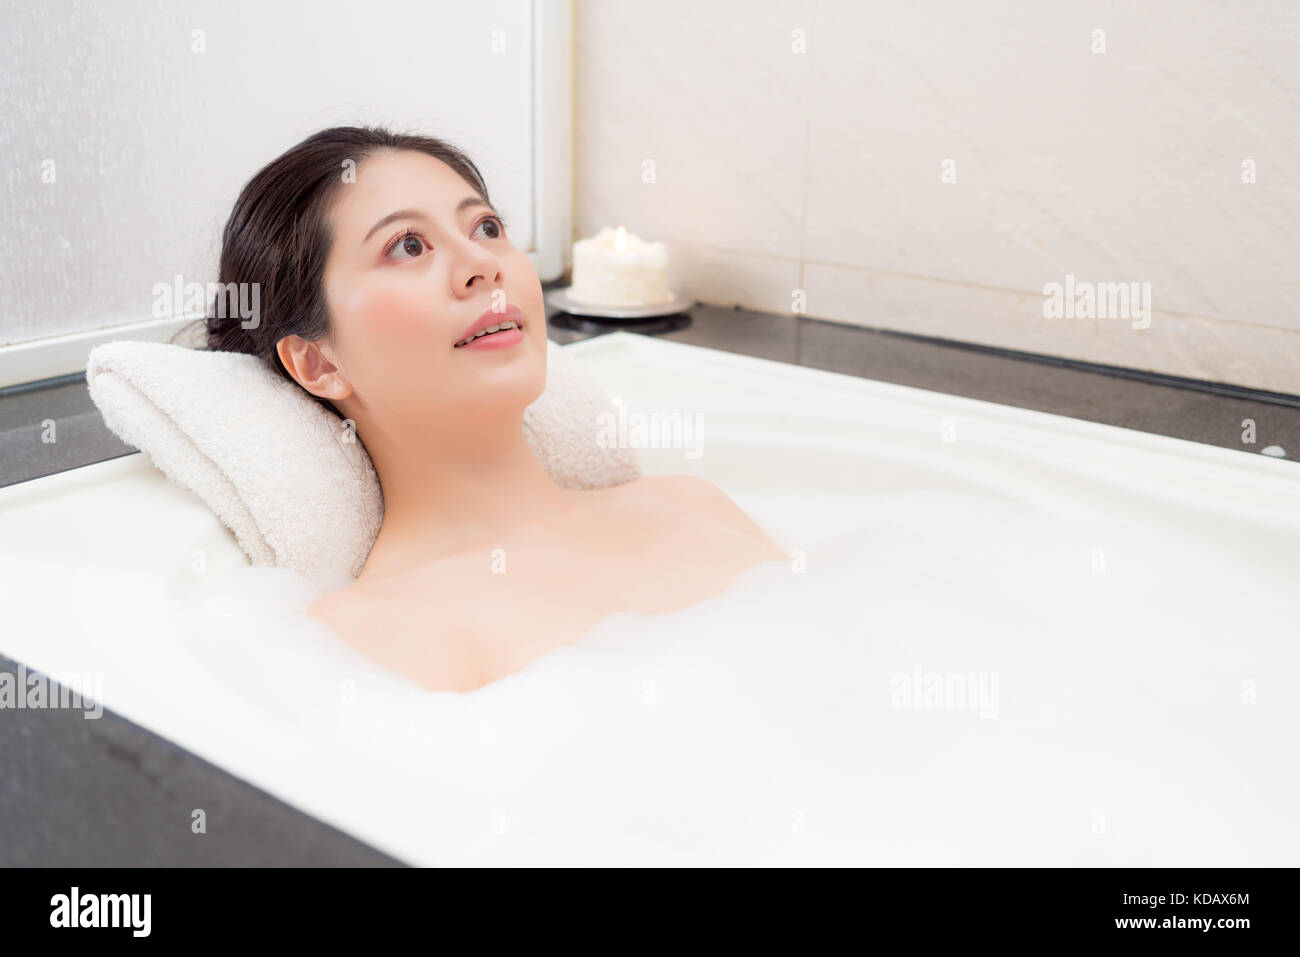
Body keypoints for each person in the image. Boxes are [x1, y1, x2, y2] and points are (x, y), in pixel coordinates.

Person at [206, 126, 787, 692]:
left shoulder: (690, 506)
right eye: (408, 246)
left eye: (486, 227)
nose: (483, 265)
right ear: (317, 364)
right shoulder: (375, 638)